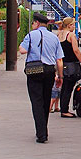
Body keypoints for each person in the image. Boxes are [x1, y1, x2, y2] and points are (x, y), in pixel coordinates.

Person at [19, 12, 64, 143]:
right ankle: (44, 129)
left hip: (34, 69)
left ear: (37, 23)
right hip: (49, 70)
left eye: (33, 23)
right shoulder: (54, 37)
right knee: (45, 99)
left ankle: (41, 133)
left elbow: (22, 50)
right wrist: (60, 76)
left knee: (36, 101)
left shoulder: (31, 35)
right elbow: (59, 59)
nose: (32, 25)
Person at [56, 16, 81, 118]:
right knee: (68, 88)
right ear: (69, 25)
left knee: (64, 87)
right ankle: (65, 110)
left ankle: (63, 108)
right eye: (73, 25)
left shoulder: (59, 34)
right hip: (71, 64)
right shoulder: (71, 35)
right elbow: (76, 50)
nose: (74, 27)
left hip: (62, 64)